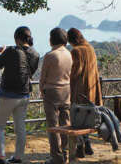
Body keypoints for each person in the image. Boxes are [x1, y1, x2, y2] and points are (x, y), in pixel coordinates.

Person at [0, 26, 40, 164]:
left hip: (8, 95)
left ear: (17, 38)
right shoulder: (36, 54)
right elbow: (30, 72)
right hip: (24, 95)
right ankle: (18, 157)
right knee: (20, 127)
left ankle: (0, 158)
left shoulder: (12, 50)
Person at [67, 27, 102, 157]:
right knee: (87, 118)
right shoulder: (91, 49)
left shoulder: (76, 51)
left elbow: (75, 72)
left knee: (78, 120)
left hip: (79, 90)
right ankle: (87, 144)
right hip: (92, 90)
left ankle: (81, 147)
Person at [40, 27, 73, 164]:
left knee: (53, 126)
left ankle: (56, 157)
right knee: (66, 123)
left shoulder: (50, 55)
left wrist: (42, 90)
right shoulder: (69, 54)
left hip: (52, 91)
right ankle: (66, 154)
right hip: (66, 90)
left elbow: (43, 77)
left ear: (52, 39)